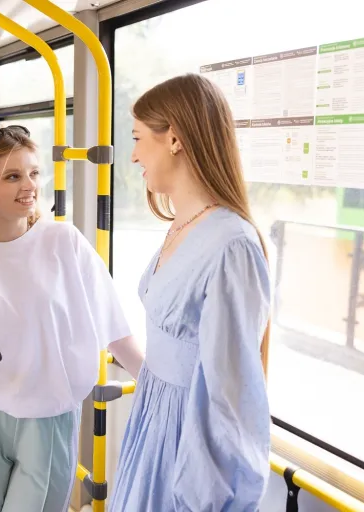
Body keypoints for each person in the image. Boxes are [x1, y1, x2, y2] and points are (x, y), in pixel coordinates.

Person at [0, 125, 145, 512]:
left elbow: (114, 326)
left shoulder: (65, 243)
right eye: (13, 176)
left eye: (34, 173)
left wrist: (160, 389)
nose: (30, 186)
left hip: (49, 415)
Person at [108, 73, 272, 511]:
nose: (134, 155)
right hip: (153, 424)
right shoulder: (181, 227)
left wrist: (203, 495)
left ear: (175, 138)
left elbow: (228, 398)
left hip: (187, 443)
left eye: (138, 138)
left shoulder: (231, 244)